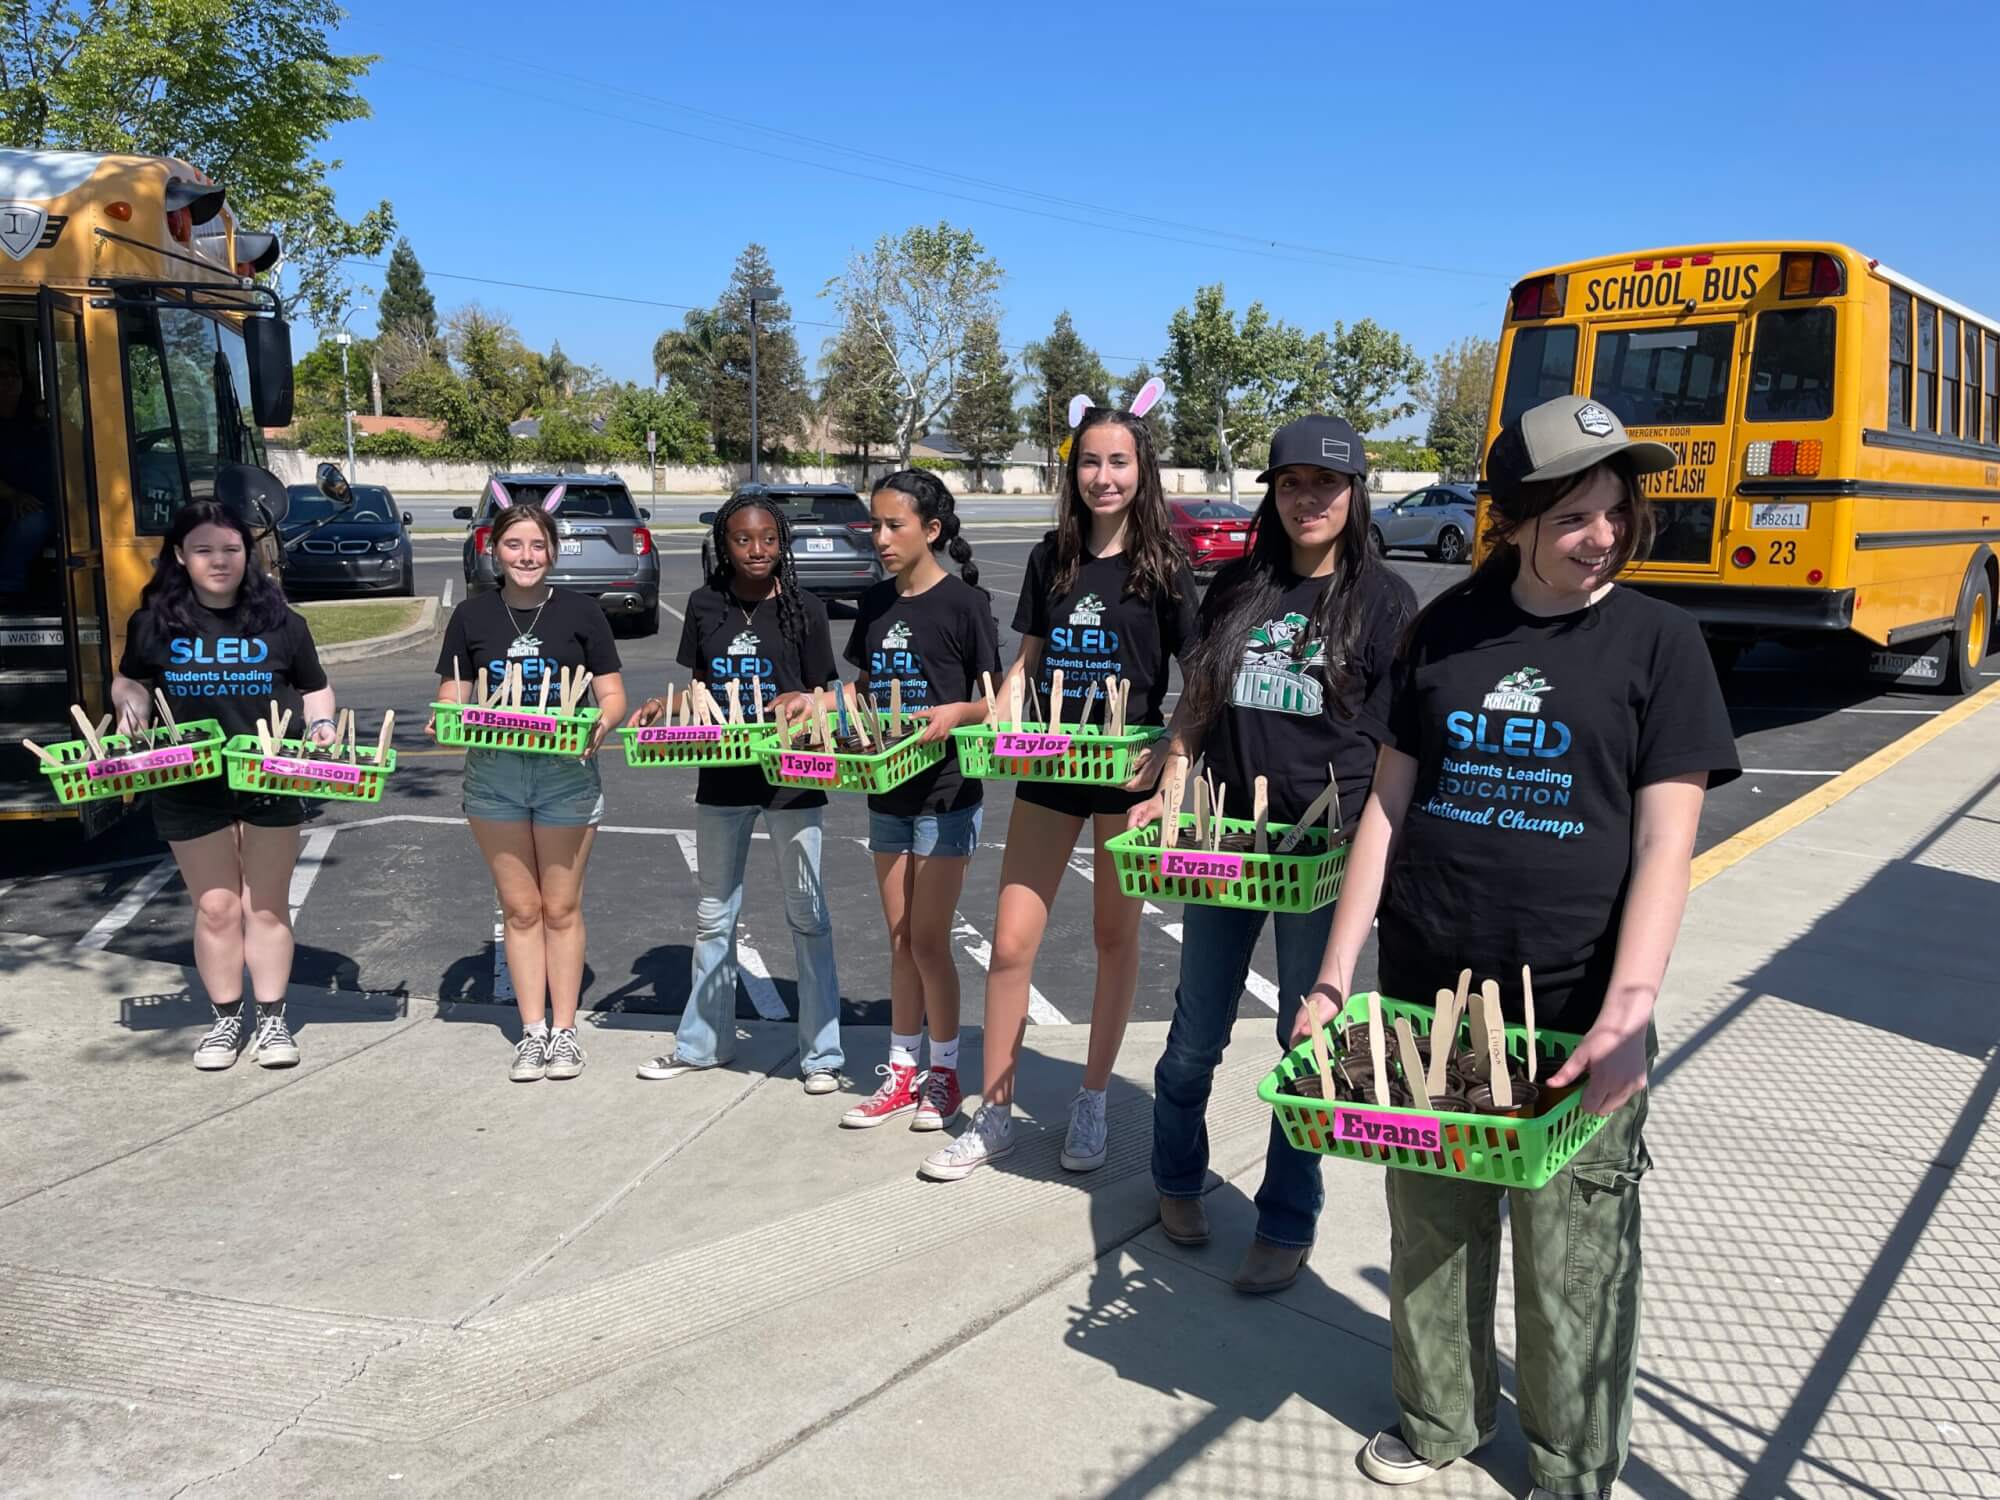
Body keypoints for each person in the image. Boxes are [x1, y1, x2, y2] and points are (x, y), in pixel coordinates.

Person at [1305, 395, 1740, 1498]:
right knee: (1433, 1236)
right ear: (1512, 521)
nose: (1603, 536)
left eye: (1614, 512)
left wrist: (1627, 1012)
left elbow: (1662, 841)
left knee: (1573, 1267)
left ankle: (1569, 1467)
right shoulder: (1441, 631)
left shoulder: (1660, 644)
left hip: (1571, 1016)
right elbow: (1387, 812)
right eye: (1574, 516)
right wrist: (1328, 973)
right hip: (1429, 1003)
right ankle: (1440, 1417)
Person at [1134, 414, 1415, 1292]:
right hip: (1228, 842)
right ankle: (1177, 1176)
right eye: (1292, 484)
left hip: (1323, 859)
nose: (1309, 499)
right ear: (1275, 494)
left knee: (1306, 1047)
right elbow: (1201, 700)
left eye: (1326, 485)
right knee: (1193, 1038)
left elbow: (1398, 745)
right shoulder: (1236, 588)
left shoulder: (1386, 603)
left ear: (1355, 493)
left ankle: (1287, 1219)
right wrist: (1174, 768)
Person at [921, 402, 1197, 1181]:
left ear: (1141, 472)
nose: (1102, 477)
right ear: (1070, 471)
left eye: (1117, 462)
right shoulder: (1053, 557)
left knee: (1115, 940)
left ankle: (1093, 1098)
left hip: (1122, 773)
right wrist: (1003, 716)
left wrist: (1172, 756)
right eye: (1088, 462)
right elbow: (1027, 664)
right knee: (1010, 944)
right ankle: (997, 1114)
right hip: (1048, 769)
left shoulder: (1164, 565)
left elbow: (1198, 675)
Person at [629, 492, 845, 1092]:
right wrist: (663, 708)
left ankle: (822, 1056)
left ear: (783, 544)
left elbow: (825, 692)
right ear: (723, 544)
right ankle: (703, 1045)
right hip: (721, 777)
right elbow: (699, 688)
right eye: (744, 539)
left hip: (793, 781)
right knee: (713, 917)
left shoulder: (806, 608)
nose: (758, 550)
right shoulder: (705, 605)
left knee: (808, 917)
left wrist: (806, 712)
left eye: (770, 539)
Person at [110, 500, 337, 1071]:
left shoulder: (282, 621)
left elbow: (314, 688)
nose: (219, 560)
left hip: (270, 774)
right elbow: (131, 682)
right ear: (181, 557)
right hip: (188, 780)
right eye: (205, 550)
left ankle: (274, 1020)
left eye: (231, 550)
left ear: (249, 555)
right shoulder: (154, 623)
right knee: (214, 909)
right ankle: (225, 1020)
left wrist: (325, 725)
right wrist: (128, 712)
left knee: (265, 906)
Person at [431, 502, 626, 1083]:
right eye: (514, 545)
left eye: (537, 546)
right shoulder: (472, 616)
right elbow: (452, 693)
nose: (526, 556)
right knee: (520, 909)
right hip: (494, 776)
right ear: (494, 551)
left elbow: (612, 694)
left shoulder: (582, 613)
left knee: (560, 908)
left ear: (553, 552)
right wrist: (448, 717)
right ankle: (532, 1030)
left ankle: (565, 1033)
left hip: (566, 772)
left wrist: (601, 723)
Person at [839, 469, 1000, 1134]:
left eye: (893, 525)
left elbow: (995, 704)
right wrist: (822, 705)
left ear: (930, 530)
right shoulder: (875, 605)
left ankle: (945, 1071)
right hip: (887, 790)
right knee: (901, 939)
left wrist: (953, 713)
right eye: (874, 525)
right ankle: (902, 1070)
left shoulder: (964, 605)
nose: (880, 537)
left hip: (946, 795)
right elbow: (864, 692)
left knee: (931, 941)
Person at [0, 345, 54, 604]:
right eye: (2, 375)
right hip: (11, 501)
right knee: (34, 521)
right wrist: (13, 495)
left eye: (14, 375)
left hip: (52, 498)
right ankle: (9, 587)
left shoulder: (36, 418)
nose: (9, 381)